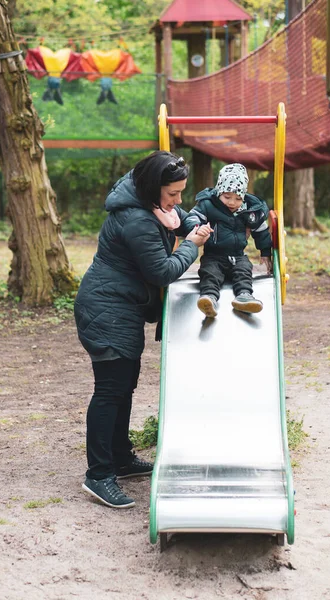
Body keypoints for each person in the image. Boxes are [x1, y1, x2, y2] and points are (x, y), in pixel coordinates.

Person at [74, 151, 211, 509]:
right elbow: (162, 271)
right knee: (109, 390)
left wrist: (194, 221)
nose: (178, 200)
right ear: (154, 188)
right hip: (107, 310)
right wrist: (193, 245)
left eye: (182, 192)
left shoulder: (154, 205)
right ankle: (99, 475)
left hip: (122, 308)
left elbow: (183, 218)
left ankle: (120, 457)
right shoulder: (136, 219)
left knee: (124, 386)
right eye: (174, 194)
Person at [188, 163, 272, 318]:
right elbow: (193, 217)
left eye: (238, 198)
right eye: (227, 197)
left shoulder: (249, 210)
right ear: (219, 191)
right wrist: (197, 227)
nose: (232, 202)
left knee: (244, 271)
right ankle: (209, 298)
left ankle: (244, 296)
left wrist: (265, 252)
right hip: (213, 255)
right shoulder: (208, 205)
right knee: (209, 273)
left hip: (238, 255)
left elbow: (261, 230)